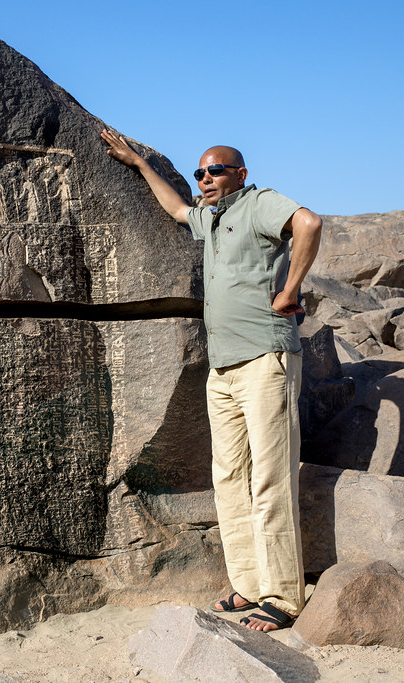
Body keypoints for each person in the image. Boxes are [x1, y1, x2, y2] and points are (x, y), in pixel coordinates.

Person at [99, 129, 322, 632]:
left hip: (266, 357)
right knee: (227, 478)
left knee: (270, 478)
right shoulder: (212, 218)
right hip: (222, 365)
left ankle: (283, 598)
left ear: (240, 174)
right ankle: (246, 585)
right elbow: (178, 209)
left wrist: (290, 290)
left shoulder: (259, 204)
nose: (205, 179)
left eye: (215, 170)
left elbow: (308, 223)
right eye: (200, 172)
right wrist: (138, 164)